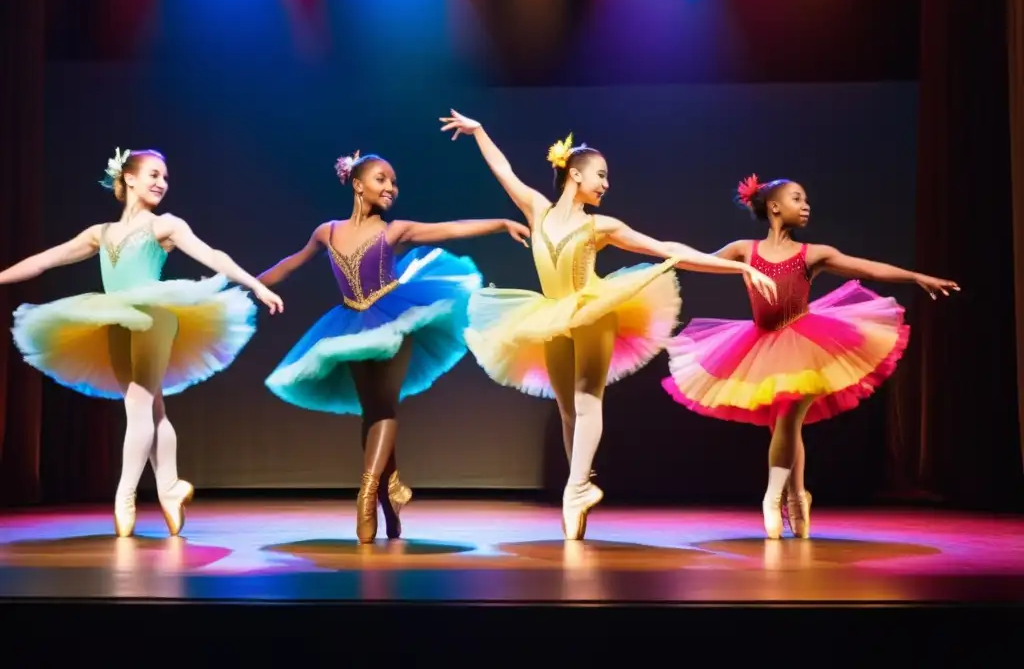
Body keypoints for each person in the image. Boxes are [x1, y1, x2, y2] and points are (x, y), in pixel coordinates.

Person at [438, 111, 779, 540]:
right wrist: (480, 131)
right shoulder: (537, 208)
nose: (606, 183)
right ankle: (578, 487)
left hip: (594, 309)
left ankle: (576, 486)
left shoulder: (601, 226)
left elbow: (666, 249)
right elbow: (503, 169)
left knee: (585, 399)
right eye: (600, 175)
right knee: (566, 409)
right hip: (548, 313)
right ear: (574, 175)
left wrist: (739, 270)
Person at [2, 148, 283, 538]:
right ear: (128, 178)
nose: (161, 183)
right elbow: (46, 259)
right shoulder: (100, 233)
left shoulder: (164, 226)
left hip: (154, 316)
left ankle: (125, 494)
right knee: (153, 408)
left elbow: (212, 255)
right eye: (153, 174)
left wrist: (255, 285)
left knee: (138, 403)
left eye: (165, 178)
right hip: (113, 317)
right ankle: (168, 487)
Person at [661, 174, 959, 539]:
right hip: (758, 345)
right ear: (774, 207)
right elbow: (701, 262)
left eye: (806, 200)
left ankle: (772, 498)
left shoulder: (813, 254)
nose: (806, 206)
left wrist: (916, 277)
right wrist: (663, 256)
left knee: (787, 419)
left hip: (805, 342)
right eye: (797, 198)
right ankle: (798, 495)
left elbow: (867, 267)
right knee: (784, 427)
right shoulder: (744, 249)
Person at [258, 151, 530, 544]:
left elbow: (452, 228)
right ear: (358, 184)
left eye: (394, 183)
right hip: (350, 323)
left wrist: (502, 223)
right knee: (370, 413)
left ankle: (366, 495)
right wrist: (250, 283)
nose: (391, 188)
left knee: (383, 406)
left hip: (395, 320)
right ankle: (391, 495)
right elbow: (291, 263)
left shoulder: (394, 231)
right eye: (382, 179)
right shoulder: (327, 232)